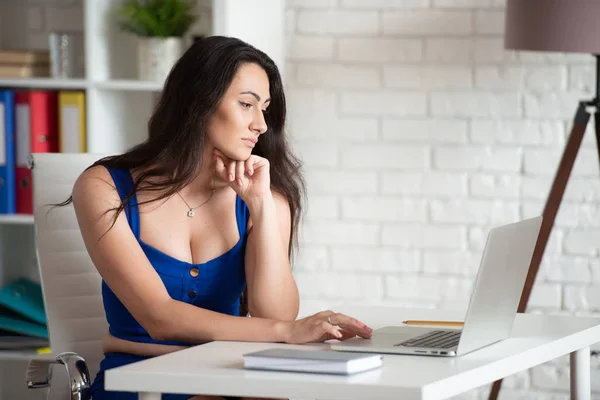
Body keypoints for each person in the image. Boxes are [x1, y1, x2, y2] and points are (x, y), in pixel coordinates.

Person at [68, 36, 373, 400]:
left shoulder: (265, 196)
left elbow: (273, 313)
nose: (261, 124)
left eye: (265, 109)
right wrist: (287, 333)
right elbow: (159, 316)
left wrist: (260, 207)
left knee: (267, 393)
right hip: (138, 384)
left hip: (227, 379)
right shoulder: (105, 187)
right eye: (247, 104)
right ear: (197, 103)